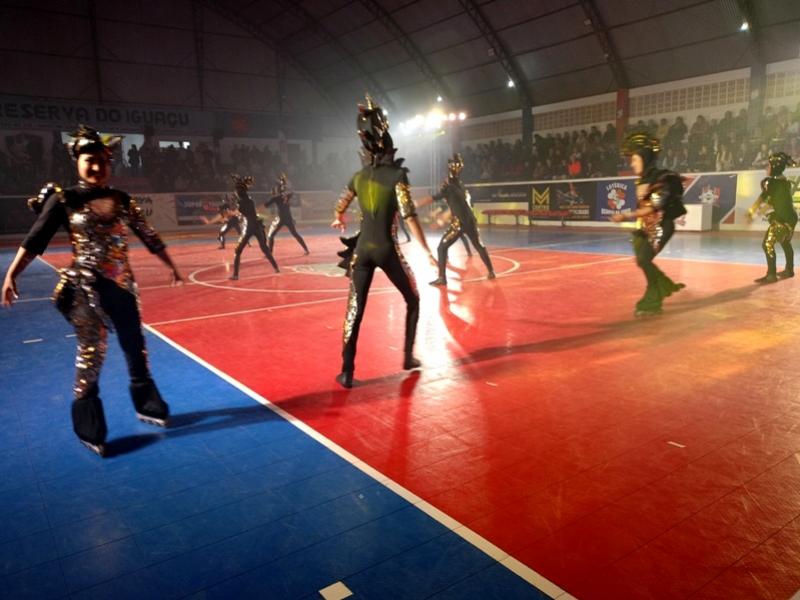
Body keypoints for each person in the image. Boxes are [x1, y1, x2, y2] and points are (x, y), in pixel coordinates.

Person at [1, 125, 184, 457]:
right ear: (78, 162)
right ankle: (89, 424)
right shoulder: (64, 199)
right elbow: (35, 239)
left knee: (135, 346)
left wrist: (170, 263)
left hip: (123, 287)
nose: (97, 166)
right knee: (92, 351)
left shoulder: (122, 200)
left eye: (102, 160)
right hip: (86, 289)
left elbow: (148, 234)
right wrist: (12, 274)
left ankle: (148, 404)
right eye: (90, 160)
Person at [331, 95, 437, 388]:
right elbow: (409, 216)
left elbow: (340, 204)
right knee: (413, 299)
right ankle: (407, 357)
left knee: (355, 309)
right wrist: (427, 251)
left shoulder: (358, 177)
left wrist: (339, 217)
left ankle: (347, 371)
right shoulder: (398, 175)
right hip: (387, 250)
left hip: (362, 251)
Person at [611, 133, 686, 316]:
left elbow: (653, 207)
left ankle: (653, 299)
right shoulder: (642, 180)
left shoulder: (660, 178)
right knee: (641, 259)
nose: (632, 164)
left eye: (635, 159)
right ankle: (664, 285)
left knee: (644, 259)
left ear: (644, 159)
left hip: (662, 226)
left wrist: (626, 215)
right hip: (646, 227)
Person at [417, 153, 495, 286]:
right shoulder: (461, 186)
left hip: (460, 222)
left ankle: (442, 278)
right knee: (479, 245)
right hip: (470, 220)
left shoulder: (448, 188)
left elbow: (433, 198)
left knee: (441, 247)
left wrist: (416, 203)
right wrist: (441, 219)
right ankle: (491, 271)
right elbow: (455, 205)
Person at [747, 152, 798, 283]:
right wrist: (758, 212)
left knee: (767, 244)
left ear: (775, 167)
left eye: (768, 165)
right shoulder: (784, 182)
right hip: (791, 218)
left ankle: (771, 275)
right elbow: (770, 201)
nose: (766, 168)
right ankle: (789, 270)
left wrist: (751, 212)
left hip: (782, 219)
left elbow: (762, 198)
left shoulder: (771, 183)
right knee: (785, 242)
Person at [229, 174, 279, 280]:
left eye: (236, 191)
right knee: (264, 248)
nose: (235, 193)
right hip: (257, 226)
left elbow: (238, 212)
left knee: (238, 251)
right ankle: (276, 268)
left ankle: (235, 275)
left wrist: (229, 212)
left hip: (249, 228)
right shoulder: (250, 201)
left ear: (239, 192)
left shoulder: (240, 202)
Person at [264, 173, 309, 255]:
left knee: (271, 235)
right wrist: (284, 185)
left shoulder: (276, 198)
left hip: (281, 218)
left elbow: (266, 205)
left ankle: (270, 252)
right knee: (295, 234)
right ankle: (306, 249)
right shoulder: (287, 195)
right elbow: (291, 192)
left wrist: (273, 195)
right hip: (288, 218)